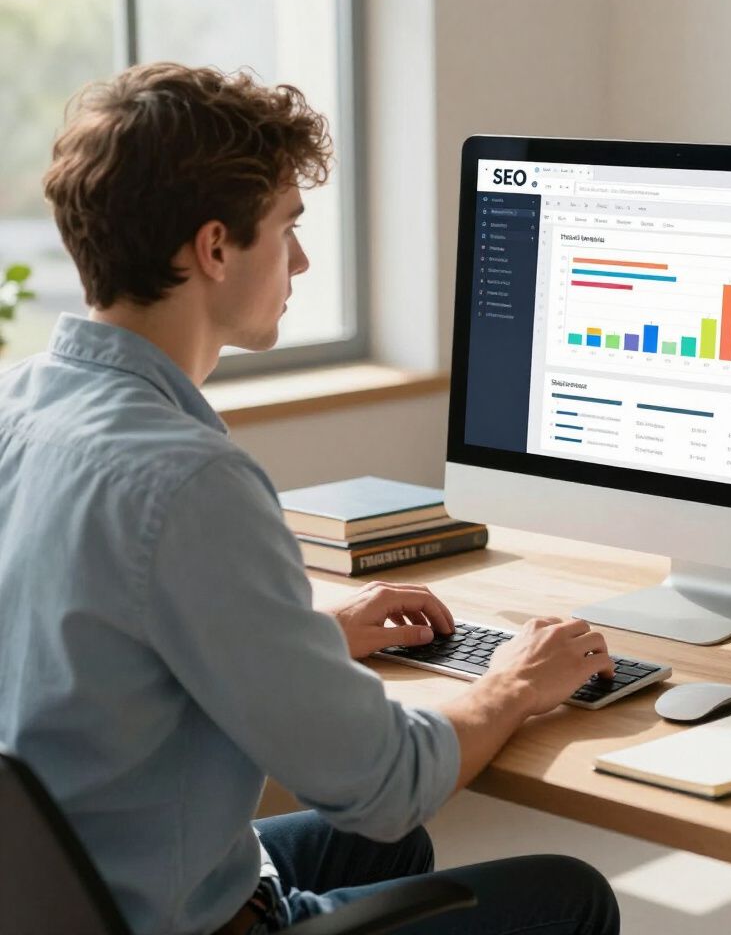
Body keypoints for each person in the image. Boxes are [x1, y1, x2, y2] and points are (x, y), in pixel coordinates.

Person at [0, 63, 620, 935]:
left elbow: (94, 654)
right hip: (181, 919)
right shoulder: (189, 480)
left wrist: (312, 639)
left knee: (386, 855)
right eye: (286, 229)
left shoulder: (17, 404)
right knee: (568, 892)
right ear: (214, 248)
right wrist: (512, 684)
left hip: (72, 889)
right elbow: (385, 785)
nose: (300, 259)